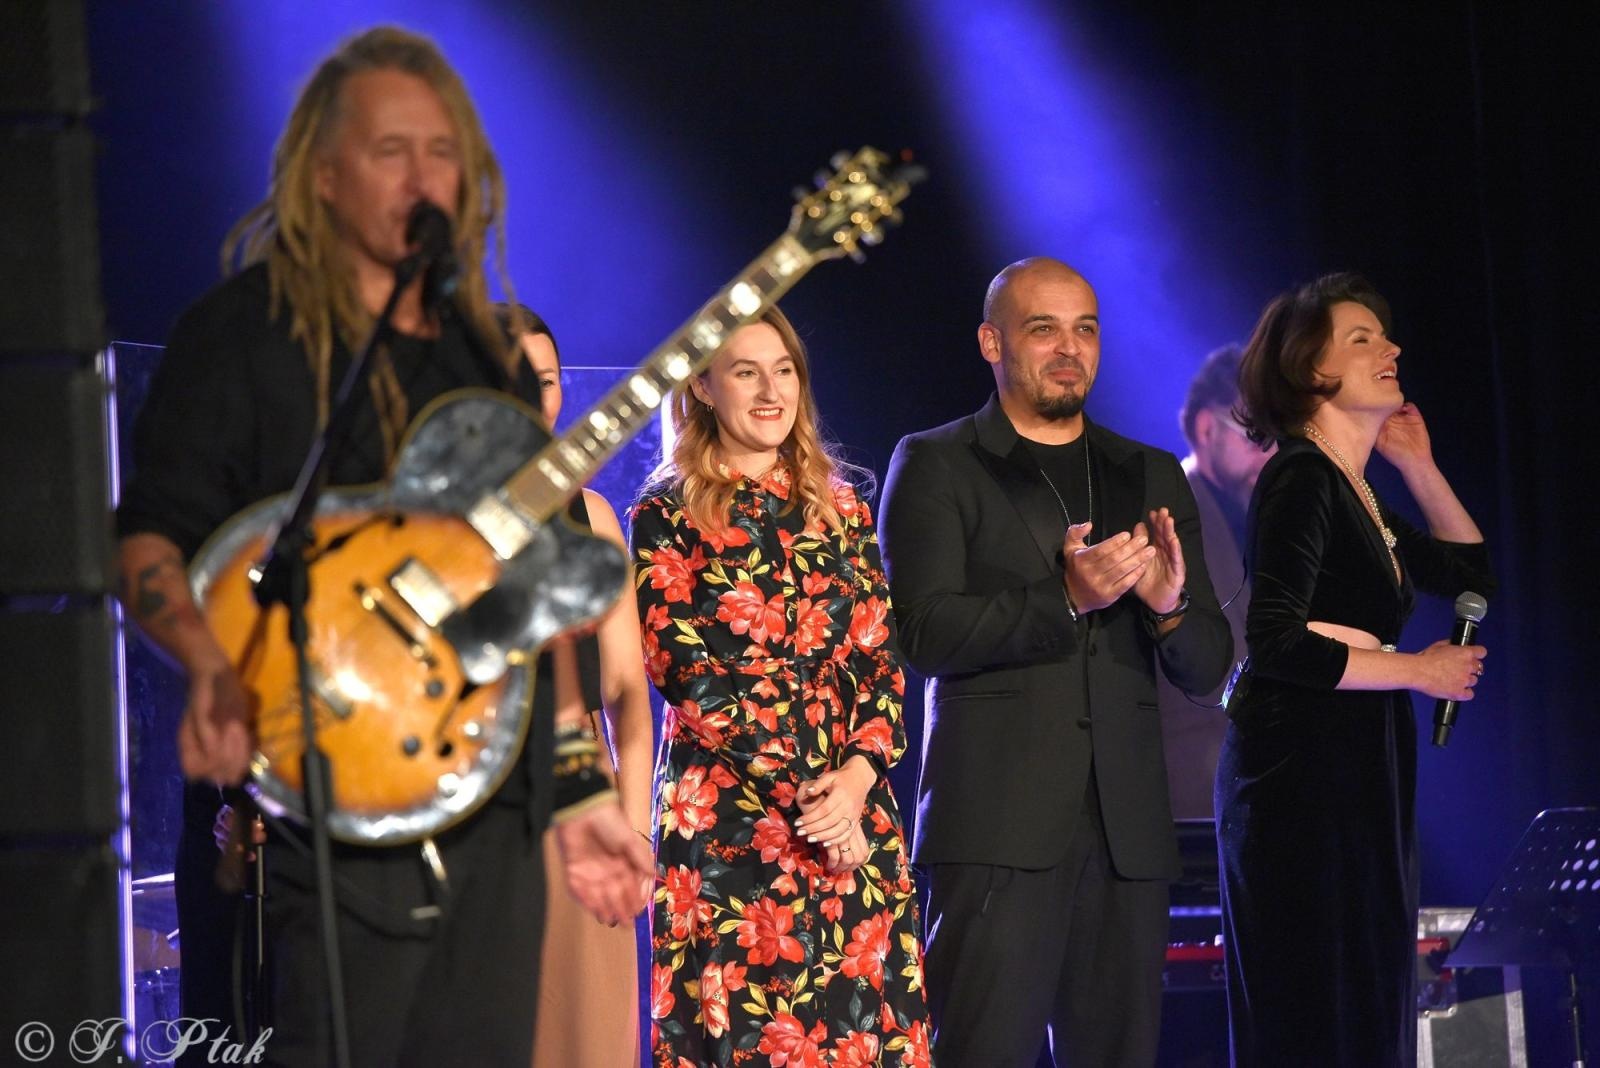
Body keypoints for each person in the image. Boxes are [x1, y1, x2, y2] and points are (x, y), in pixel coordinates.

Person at [114, 27, 651, 1066]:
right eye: (390, 149)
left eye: (442, 151)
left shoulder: (482, 358)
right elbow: (148, 540)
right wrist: (209, 668)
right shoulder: (238, 335)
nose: (422, 176)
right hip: (327, 799)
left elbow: (523, 611)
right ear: (323, 171)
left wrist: (582, 790)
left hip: (492, 816)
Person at [879, 256, 1233, 1066]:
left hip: (1128, 835)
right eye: (1044, 329)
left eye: (1086, 329)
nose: (1069, 348)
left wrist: (1169, 605)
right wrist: (1065, 598)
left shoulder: (1147, 471)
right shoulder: (938, 460)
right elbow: (920, 634)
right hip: (995, 827)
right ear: (992, 342)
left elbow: (1209, 665)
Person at [629, 306, 932, 1064]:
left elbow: (879, 658)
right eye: (746, 372)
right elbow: (686, 673)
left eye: (784, 370)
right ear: (703, 386)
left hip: (853, 816)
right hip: (732, 823)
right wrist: (816, 802)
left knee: (864, 1033)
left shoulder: (842, 505)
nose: (771, 392)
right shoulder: (665, 514)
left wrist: (856, 783)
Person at [1216, 272, 1492, 1067]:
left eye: (1385, 334)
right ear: (1312, 370)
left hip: (1356, 755)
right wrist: (1417, 671)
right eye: (1362, 339)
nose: (1390, 347)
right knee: (1318, 1001)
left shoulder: (1355, 490)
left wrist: (1419, 465)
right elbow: (1276, 640)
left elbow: (1471, 578)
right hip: (1302, 764)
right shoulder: (1301, 475)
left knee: (1365, 990)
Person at [503, 306, 651, 1067]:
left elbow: (627, 689)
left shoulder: (591, 515)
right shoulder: (425, 514)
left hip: (579, 800)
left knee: (589, 1034)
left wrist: (635, 827)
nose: (534, 396)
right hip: (475, 801)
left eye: (547, 380)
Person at [1157, 345, 1275, 819]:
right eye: (1258, 436)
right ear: (1207, 428)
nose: (1272, 454)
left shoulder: (1259, 512)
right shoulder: (1165, 518)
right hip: (1197, 794)